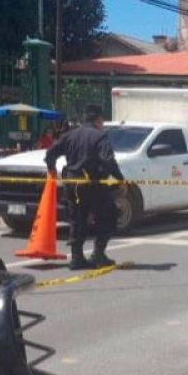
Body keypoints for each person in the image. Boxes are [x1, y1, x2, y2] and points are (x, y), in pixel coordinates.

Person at [45, 105, 127, 270]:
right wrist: (120, 180)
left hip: (72, 184)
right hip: (93, 185)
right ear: (98, 120)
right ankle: (98, 253)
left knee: (77, 219)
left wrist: (51, 168)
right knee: (109, 215)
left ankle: (76, 258)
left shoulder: (70, 135)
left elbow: (51, 152)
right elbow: (108, 161)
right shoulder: (99, 136)